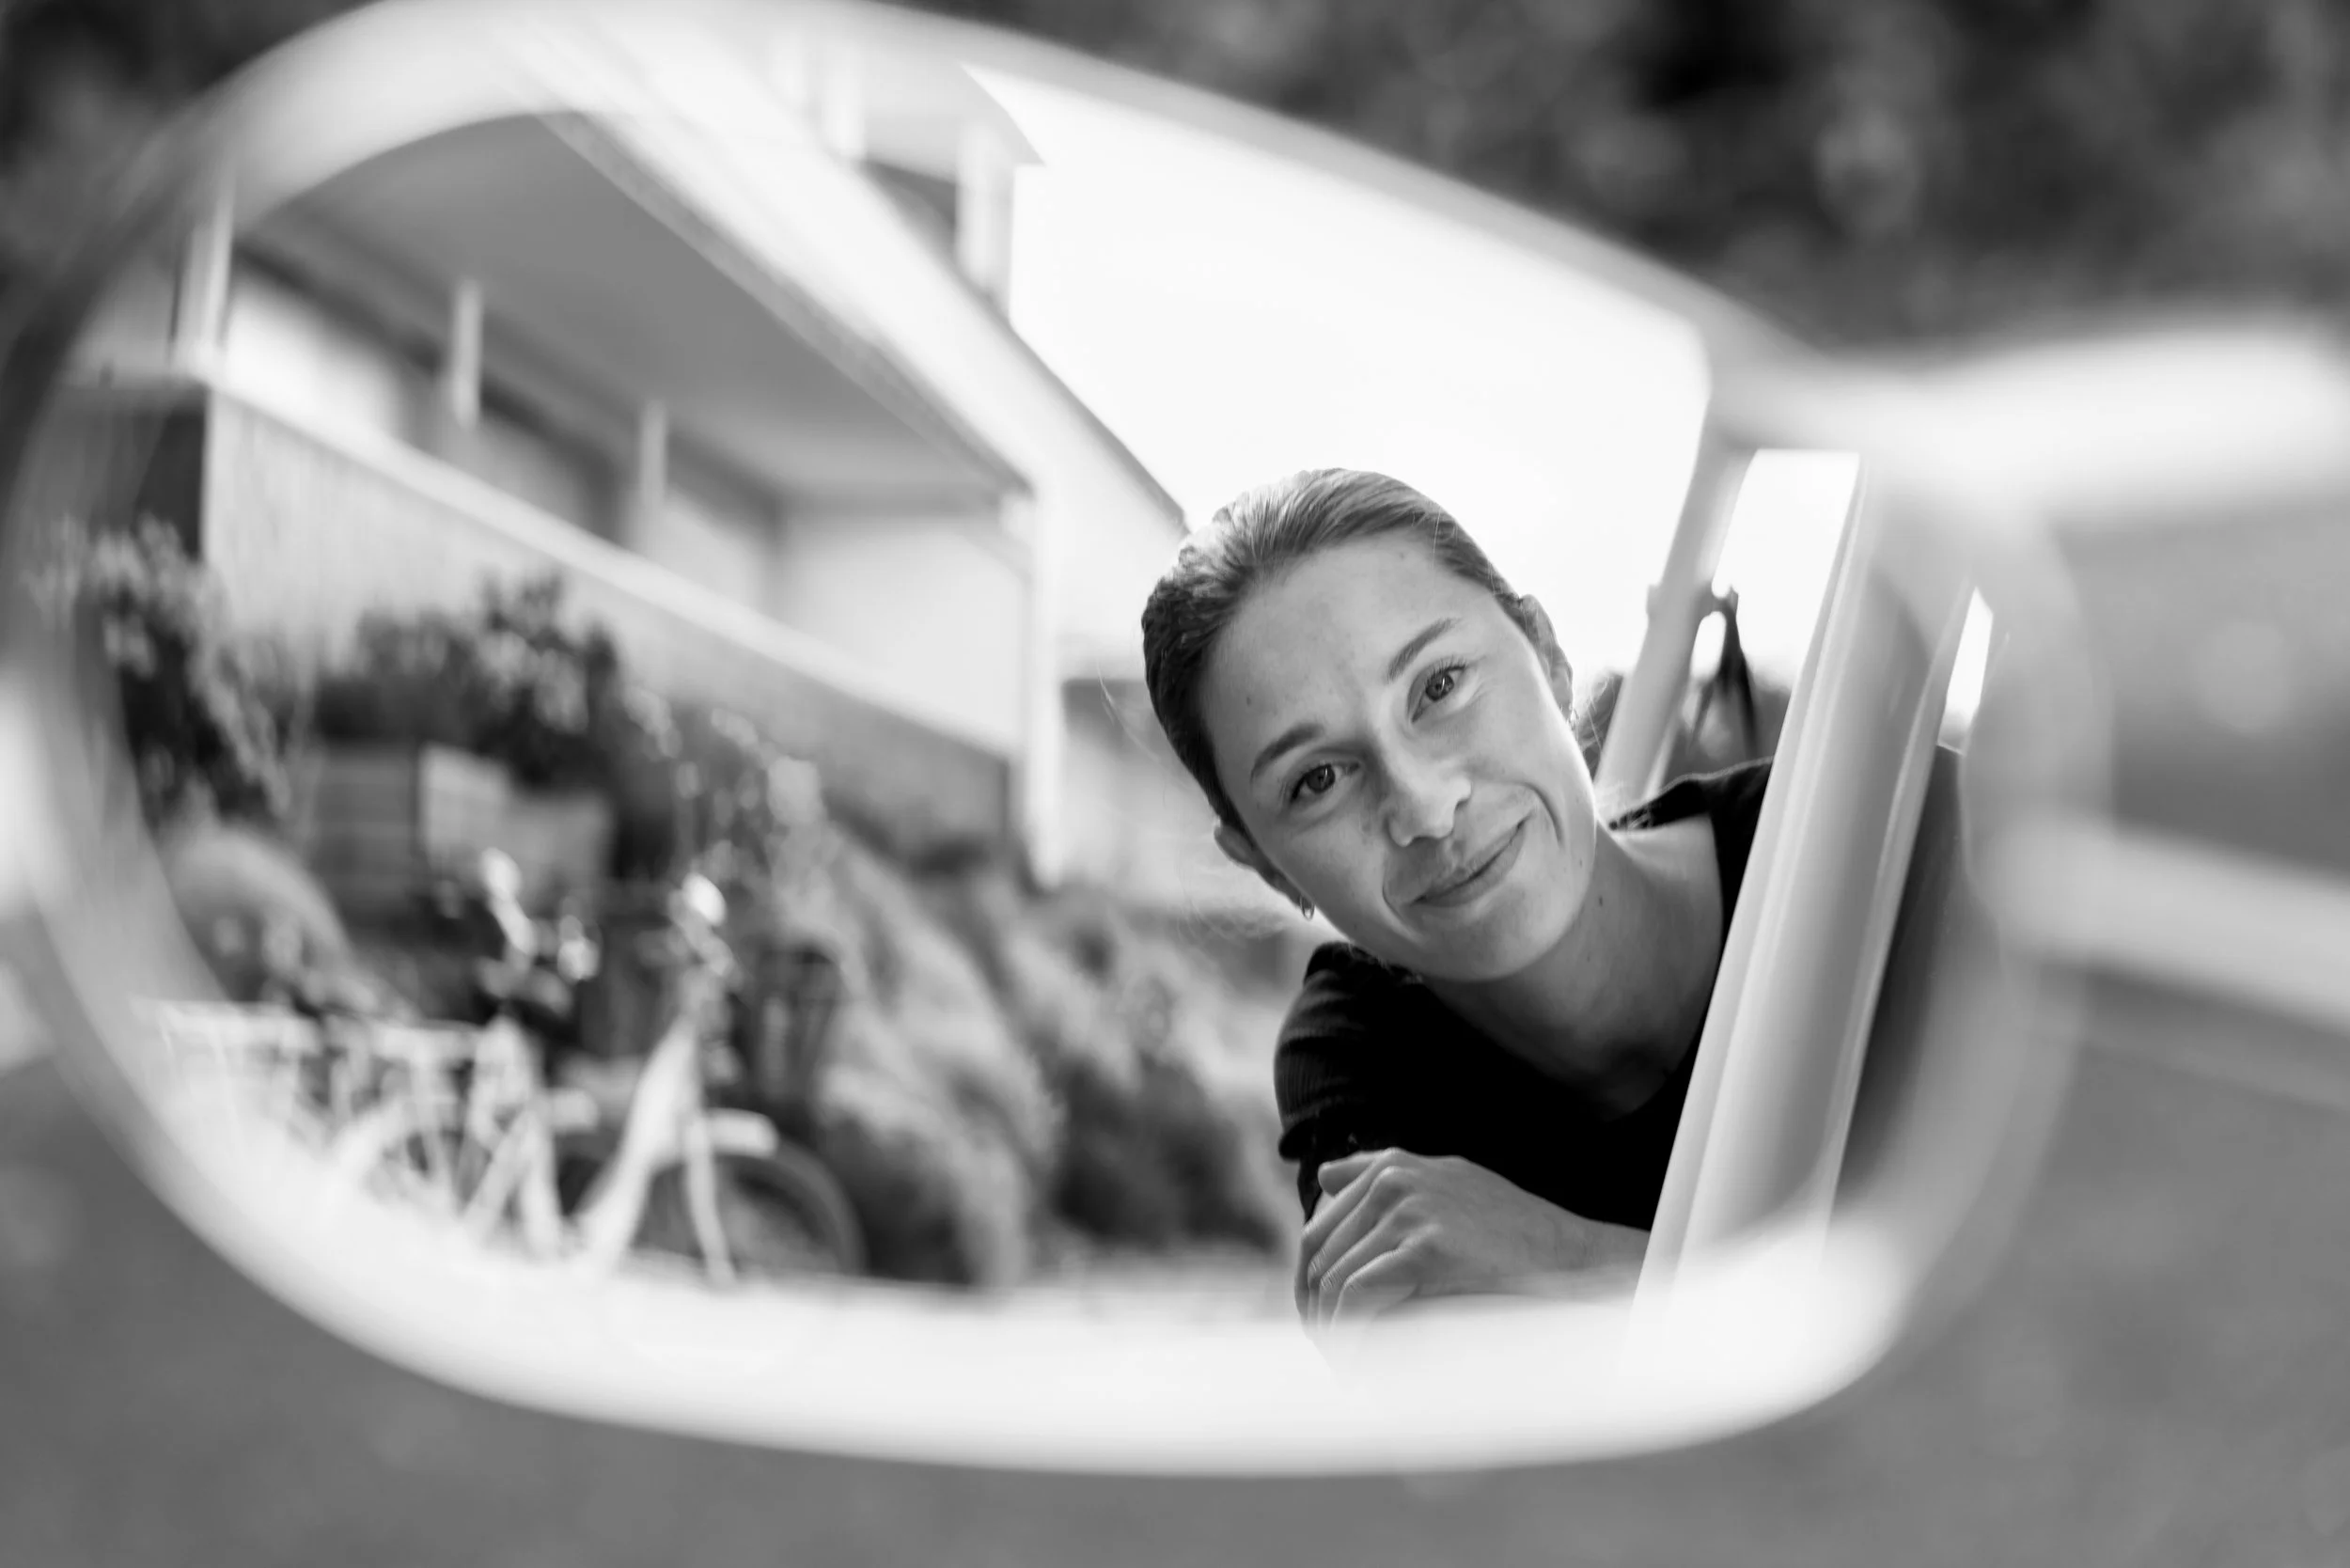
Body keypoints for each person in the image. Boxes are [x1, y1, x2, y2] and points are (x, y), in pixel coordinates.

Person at [1139, 468, 1774, 1327]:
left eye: (1439, 687)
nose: (1427, 809)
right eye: (1318, 780)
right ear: (1267, 866)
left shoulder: (1876, 837)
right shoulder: (1358, 1055)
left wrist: (1565, 1257)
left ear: (1548, 656)